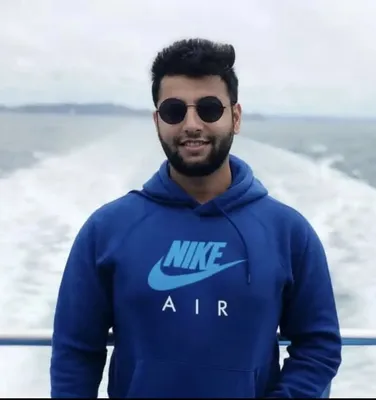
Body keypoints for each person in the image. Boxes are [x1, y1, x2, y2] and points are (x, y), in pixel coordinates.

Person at [50, 38, 342, 398]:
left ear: (235, 117)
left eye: (209, 109)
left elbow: (318, 346)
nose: (191, 124)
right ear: (157, 121)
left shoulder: (289, 233)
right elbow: (75, 352)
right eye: (174, 111)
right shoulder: (107, 230)